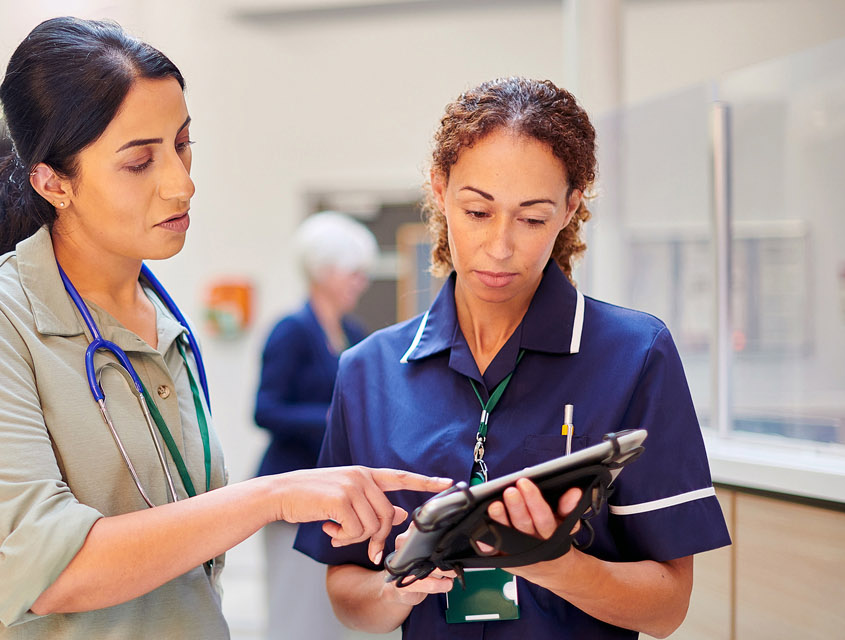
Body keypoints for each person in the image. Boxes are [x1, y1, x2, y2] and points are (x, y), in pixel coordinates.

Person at [0, 17, 450, 640]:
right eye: (140, 161)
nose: (182, 182)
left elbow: (192, 564)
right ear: (52, 182)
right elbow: (52, 567)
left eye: (182, 144)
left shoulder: (162, 318)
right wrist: (273, 497)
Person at [294, 77, 731, 639]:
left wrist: (556, 566)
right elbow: (346, 589)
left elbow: (667, 606)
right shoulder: (368, 371)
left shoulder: (635, 355)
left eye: (531, 218)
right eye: (477, 211)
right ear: (439, 190)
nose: (500, 247)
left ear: (571, 207)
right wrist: (397, 587)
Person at [253, 211, 376, 640]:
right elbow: (265, 409)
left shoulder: (354, 333)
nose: (361, 283)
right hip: (288, 492)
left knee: (327, 616)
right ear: (324, 271)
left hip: (332, 496)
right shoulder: (291, 331)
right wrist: (327, 418)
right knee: (295, 611)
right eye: (354, 273)